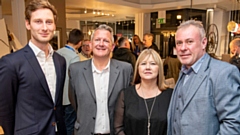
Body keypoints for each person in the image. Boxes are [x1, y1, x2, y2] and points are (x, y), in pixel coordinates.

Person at [0, 0, 67, 135]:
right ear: (27, 24)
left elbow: (56, 104)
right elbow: (5, 110)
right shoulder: (11, 62)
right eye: (38, 21)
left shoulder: (60, 61)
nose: (44, 27)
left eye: (49, 22)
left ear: (54, 25)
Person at [167, 20, 240, 135]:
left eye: (189, 41)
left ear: (203, 42)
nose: (183, 48)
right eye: (179, 43)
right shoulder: (183, 71)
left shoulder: (223, 73)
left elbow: (233, 124)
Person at [69, 24, 133, 135]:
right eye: (97, 40)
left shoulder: (125, 70)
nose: (101, 44)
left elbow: (128, 103)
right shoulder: (75, 70)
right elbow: (75, 101)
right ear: (91, 44)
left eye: (106, 41)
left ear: (113, 46)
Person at [114, 49, 173, 135]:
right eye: (143, 64)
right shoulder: (125, 95)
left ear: (159, 68)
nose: (147, 67)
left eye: (153, 64)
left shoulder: (171, 95)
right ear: (138, 68)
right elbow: (118, 127)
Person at [56, 28, 84, 135]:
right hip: (68, 97)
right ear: (80, 42)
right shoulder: (74, 57)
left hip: (58, 95)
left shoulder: (57, 53)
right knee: (70, 124)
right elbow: (76, 80)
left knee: (60, 124)